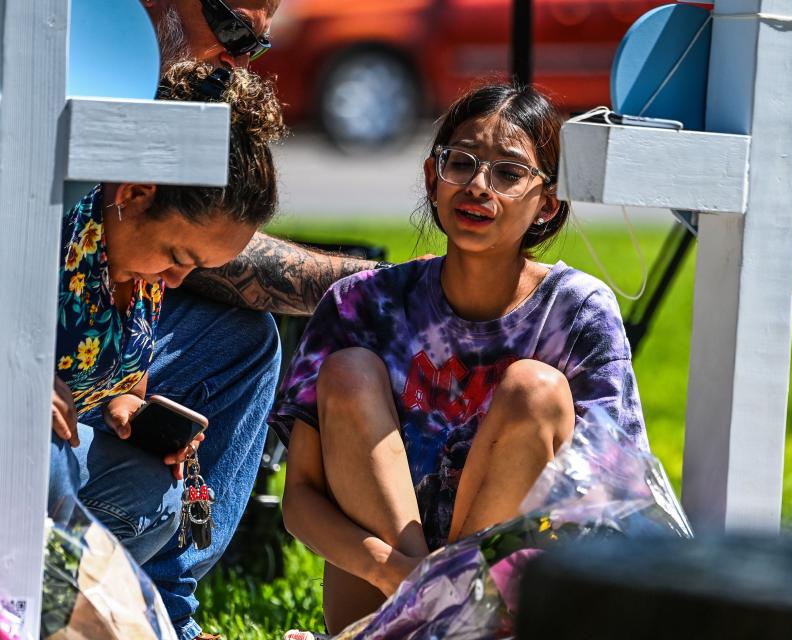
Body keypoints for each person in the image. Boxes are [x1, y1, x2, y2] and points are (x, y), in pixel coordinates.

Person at [274, 83, 649, 633]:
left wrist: (468, 589)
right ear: (432, 176)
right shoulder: (361, 305)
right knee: (349, 371)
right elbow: (300, 499)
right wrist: (404, 575)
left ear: (548, 203)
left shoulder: (579, 312)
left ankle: (456, 619)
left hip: (506, 609)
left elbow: (610, 501)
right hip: (379, 598)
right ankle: (431, 619)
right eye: (462, 162)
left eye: (508, 172)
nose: (478, 186)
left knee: (534, 391)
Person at [48, 59, 287, 640]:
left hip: (66, 446)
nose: (180, 281)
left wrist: (127, 407)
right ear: (132, 193)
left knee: (158, 494)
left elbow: (126, 372)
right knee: (41, 455)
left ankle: (153, 607)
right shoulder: (43, 224)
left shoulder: (139, 258)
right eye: (179, 257)